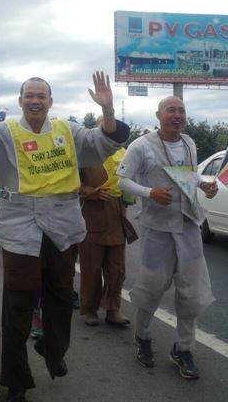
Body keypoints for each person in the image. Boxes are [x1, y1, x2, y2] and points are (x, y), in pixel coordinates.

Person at [0, 55, 129, 402]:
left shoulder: (67, 130)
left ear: (50, 101)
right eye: (29, 95)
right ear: (20, 101)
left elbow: (103, 144)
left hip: (62, 224)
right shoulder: (3, 134)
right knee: (19, 302)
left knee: (61, 297)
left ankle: (53, 350)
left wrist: (107, 111)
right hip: (20, 226)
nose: (35, 100)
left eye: (41, 95)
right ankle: (16, 381)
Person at [117, 95, 218, 380]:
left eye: (182, 110)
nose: (178, 115)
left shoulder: (189, 143)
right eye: (171, 110)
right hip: (157, 229)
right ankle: (143, 337)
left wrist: (205, 184)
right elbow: (122, 180)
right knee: (150, 289)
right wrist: (150, 193)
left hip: (188, 226)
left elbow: (190, 177)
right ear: (158, 114)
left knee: (191, 291)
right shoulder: (141, 146)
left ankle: (184, 349)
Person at [78, 126, 131, 327]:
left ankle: (113, 308)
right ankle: (90, 309)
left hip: (118, 214)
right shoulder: (84, 154)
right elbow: (70, 183)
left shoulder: (122, 153)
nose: (111, 136)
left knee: (117, 268)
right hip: (92, 215)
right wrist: (91, 191)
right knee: (92, 266)